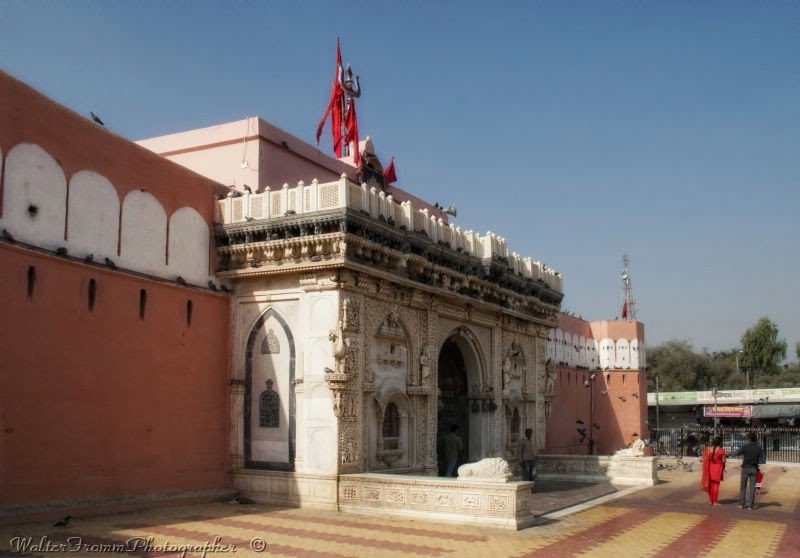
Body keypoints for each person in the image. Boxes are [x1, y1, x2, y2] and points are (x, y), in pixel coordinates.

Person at [730, 432, 765, 510]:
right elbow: (763, 460)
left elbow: (736, 453)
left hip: (745, 468)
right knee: (753, 487)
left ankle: (741, 504)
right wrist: (755, 461)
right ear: (756, 440)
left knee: (743, 486)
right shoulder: (759, 448)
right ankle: (750, 506)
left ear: (749, 439)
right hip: (754, 468)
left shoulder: (745, 446)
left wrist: (728, 454)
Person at [701, 436, 726, 505]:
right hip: (718, 468)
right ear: (720, 443)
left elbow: (704, 458)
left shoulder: (708, 449)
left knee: (710, 485)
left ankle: (710, 501)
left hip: (710, 468)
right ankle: (715, 501)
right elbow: (724, 461)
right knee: (716, 485)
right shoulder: (721, 450)